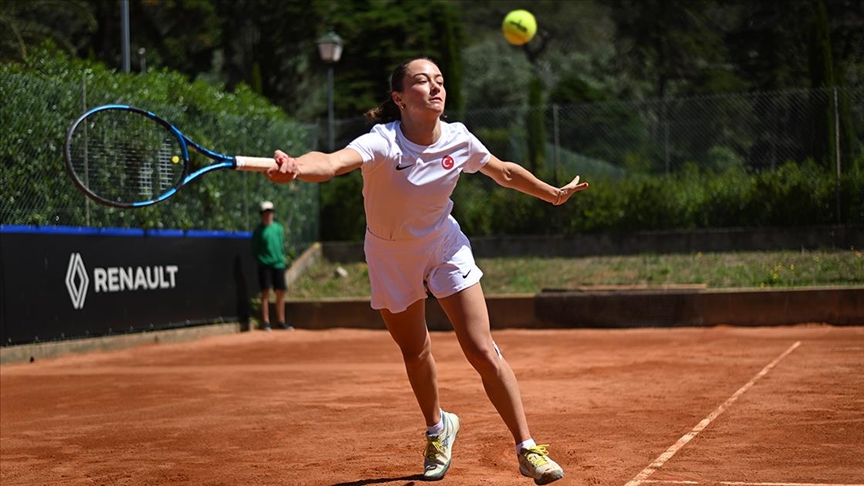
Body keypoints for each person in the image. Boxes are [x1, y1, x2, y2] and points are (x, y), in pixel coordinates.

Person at [266, 57, 588, 484]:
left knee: (481, 349)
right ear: (399, 98)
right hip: (390, 255)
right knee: (415, 352)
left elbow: (504, 171)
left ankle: (527, 448)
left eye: (439, 80)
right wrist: (296, 167)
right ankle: (439, 427)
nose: (435, 87)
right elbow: (332, 162)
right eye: (422, 81)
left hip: (443, 244)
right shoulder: (383, 142)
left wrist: (552, 194)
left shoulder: (458, 138)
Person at [251, 200, 291, 331]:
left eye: (269, 212)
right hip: (265, 265)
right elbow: (255, 249)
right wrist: (262, 259)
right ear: (262, 214)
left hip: (278, 264)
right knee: (265, 292)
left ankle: (281, 321)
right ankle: (266, 322)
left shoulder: (279, 228)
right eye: (265, 212)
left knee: (280, 292)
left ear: (272, 213)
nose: (268, 214)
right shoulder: (258, 231)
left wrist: (280, 259)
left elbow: (280, 245)